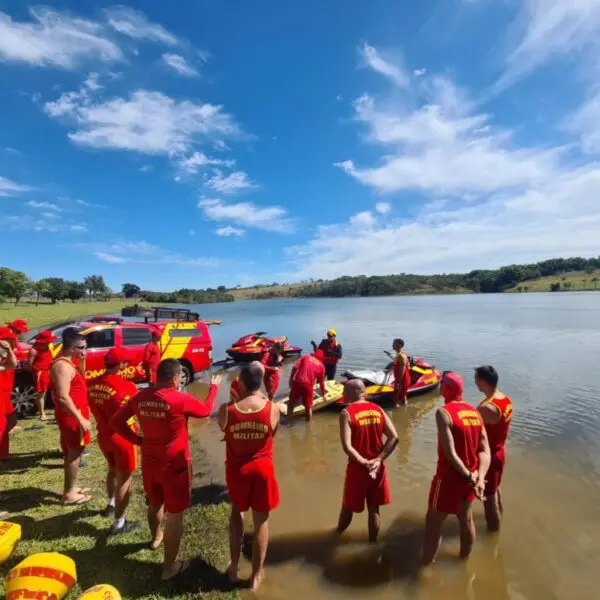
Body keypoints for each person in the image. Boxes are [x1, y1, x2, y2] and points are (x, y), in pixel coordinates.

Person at [111, 359, 221, 581]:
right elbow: (206, 410)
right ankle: (169, 567)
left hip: (150, 462)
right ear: (174, 378)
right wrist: (214, 387)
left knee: (154, 503)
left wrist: (137, 439)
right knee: (176, 514)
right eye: (180, 378)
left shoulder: (140, 397)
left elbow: (116, 422)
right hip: (175, 466)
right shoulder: (180, 399)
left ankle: (155, 538)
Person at [219, 361, 280, 590]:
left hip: (237, 469)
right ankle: (255, 575)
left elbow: (224, 431)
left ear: (241, 383)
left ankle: (234, 568)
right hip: (263, 469)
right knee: (261, 520)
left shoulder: (227, 409)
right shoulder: (272, 408)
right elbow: (273, 432)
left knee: (237, 515)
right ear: (262, 383)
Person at [422, 371, 491, 566]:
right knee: (466, 519)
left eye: (442, 384)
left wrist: (469, 476)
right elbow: (484, 450)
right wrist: (479, 478)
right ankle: (464, 561)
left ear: (446, 389)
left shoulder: (443, 413)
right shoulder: (475, 412)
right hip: (471, 479)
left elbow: (450, 454)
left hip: (448, 478)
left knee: (433, 523)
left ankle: (425, 567)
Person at [336, 379, 399, 542]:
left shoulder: (346, 413)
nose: (342, 394)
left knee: (347, 507)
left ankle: (334, 538)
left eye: (345, 390)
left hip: (358, 469)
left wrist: (364, 462)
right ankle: (372, 544)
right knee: (374, 510)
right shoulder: (378, 409)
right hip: (378, 468)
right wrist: (378, 460)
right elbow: (394, 437)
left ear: (353, 392)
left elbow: (347, 447)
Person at [88, 347, 140, 534]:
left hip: (103, 435)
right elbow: (136, 413)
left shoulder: (93, 384)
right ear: (121, 365)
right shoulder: (126, 386)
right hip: (123, 439)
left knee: (112, 470)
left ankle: (111, 503)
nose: (128, 366)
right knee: (125, 479)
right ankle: (119, 523)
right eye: (127, 362)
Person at [51, 332, 93, 505]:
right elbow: (62, 396)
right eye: (82, 348)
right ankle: (68, 494)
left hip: (76, 412)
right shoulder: (62, 366)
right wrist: (80, 418)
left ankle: (72, 487)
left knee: (76, 451)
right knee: (74, 453)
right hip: (71, 415)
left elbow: (81, 377)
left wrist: (82, 360)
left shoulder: (71, 363)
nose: (85, 350)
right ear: (72, 347)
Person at [475, 366, 513, 532]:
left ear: (484, 382)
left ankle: (493, 533)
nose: (475, 381)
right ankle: (499, 523)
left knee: (488, 499)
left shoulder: (487, 408)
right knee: (496, 489)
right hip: (500, 452)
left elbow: (472, 429)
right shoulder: (504, 399)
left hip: (490, 456)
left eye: (476, 379)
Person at [288, 349, 326, 423]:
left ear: (314, 354)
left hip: (297, 382)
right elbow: (322, 383)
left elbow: (294, 368)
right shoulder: (322, 366)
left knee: (291, 403)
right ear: (321, 358)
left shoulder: (305, 357)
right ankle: (308, 425)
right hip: (308, 386)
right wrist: (323, 394)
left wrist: (291, 380)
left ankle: (288, 420)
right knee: (308, 407)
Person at [28, 330, 57, 421]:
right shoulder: (34, 350)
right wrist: (36, 373)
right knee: (41, 393)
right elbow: (29, 365)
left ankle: (57, 409)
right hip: (40, 372)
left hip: (50, 370)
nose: (51, 341)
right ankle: (42, 414)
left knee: (54, 391)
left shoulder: (48, 346)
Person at [0, 327, 18, 461]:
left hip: (4, 394)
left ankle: (3, 453)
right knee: (3, 424)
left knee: (10, 421)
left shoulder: (5, 352)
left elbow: (13, 365)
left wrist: (9, 350)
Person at [392, 339, 411, 408]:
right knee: (403, 396)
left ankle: (399, 412)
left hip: (402, 379)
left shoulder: (401, 356)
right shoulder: (402, 353)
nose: (392, 345)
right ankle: (404, 411)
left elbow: (402, 369)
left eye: (394, 344)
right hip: (403, 379)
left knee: (396, 399)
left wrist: (398, 381)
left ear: (399, 345)